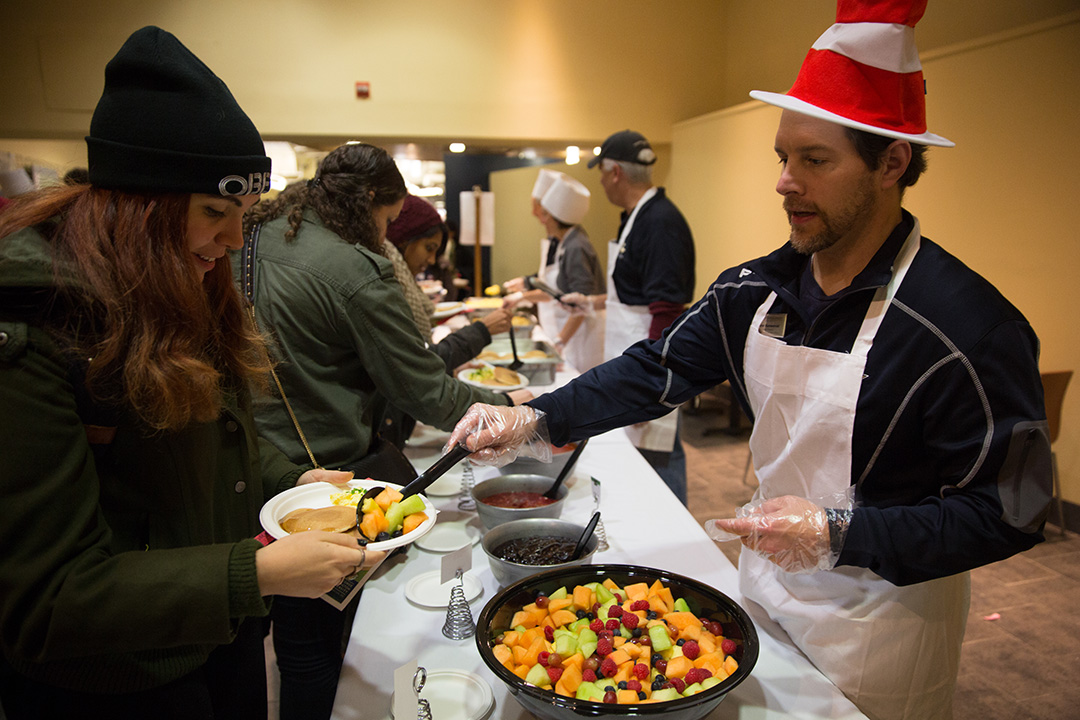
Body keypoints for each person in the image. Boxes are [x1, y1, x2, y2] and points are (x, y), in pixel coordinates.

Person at [446, 2, 1052, 718]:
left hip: (884, 624)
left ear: (892, 162)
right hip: (762, 590)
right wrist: (537, 417)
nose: (784, 182)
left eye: (815, 161)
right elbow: (654, 369)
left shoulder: (963, 325)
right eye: (783, 158)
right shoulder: (753, 291)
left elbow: (1009, 512)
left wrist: (839, 534)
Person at [0, 27, 378, 720]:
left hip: (215, 641)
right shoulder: (37, 329)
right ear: (139, 208)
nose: (234, 241)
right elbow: (43, 599)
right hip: (115, 685)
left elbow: (210, 435)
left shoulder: (175, 283)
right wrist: (255, 572)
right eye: (214, 213)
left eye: (242, 216)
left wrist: (289, 482)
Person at [238, 143, 521, 720]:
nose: (387, 237)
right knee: (320, 637)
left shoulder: (253, 237)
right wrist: (519, 411)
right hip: (320, 477)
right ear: (370, 203)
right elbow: (426, 391)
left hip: (247, 464)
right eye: (389, 221)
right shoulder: (353, 268)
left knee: (272, 640)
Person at [588, 129, 696, 504]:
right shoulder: (637, 217)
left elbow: (666, 309)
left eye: (601, 173)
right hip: (636, 355)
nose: (601, 183)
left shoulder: (659, 221)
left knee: (659, 461)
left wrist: (648, 384)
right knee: (640, 464)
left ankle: (678, 551)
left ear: (614, 171)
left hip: (652, 362)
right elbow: (634, 294)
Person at [384, 193, 513, 373]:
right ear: (403, 239)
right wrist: (482, 330)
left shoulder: (399, 284)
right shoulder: (385, 291)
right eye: (429, 248)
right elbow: (415, 365)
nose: (431, 260)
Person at [513, 175, 605, 372]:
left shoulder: (576, 247)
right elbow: (557, 291)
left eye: (545, 215)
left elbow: (582, 304)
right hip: (571, 335)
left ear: (556, 218)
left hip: (582, 339)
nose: (542, 221)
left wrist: (559, 342)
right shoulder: (566, 242)